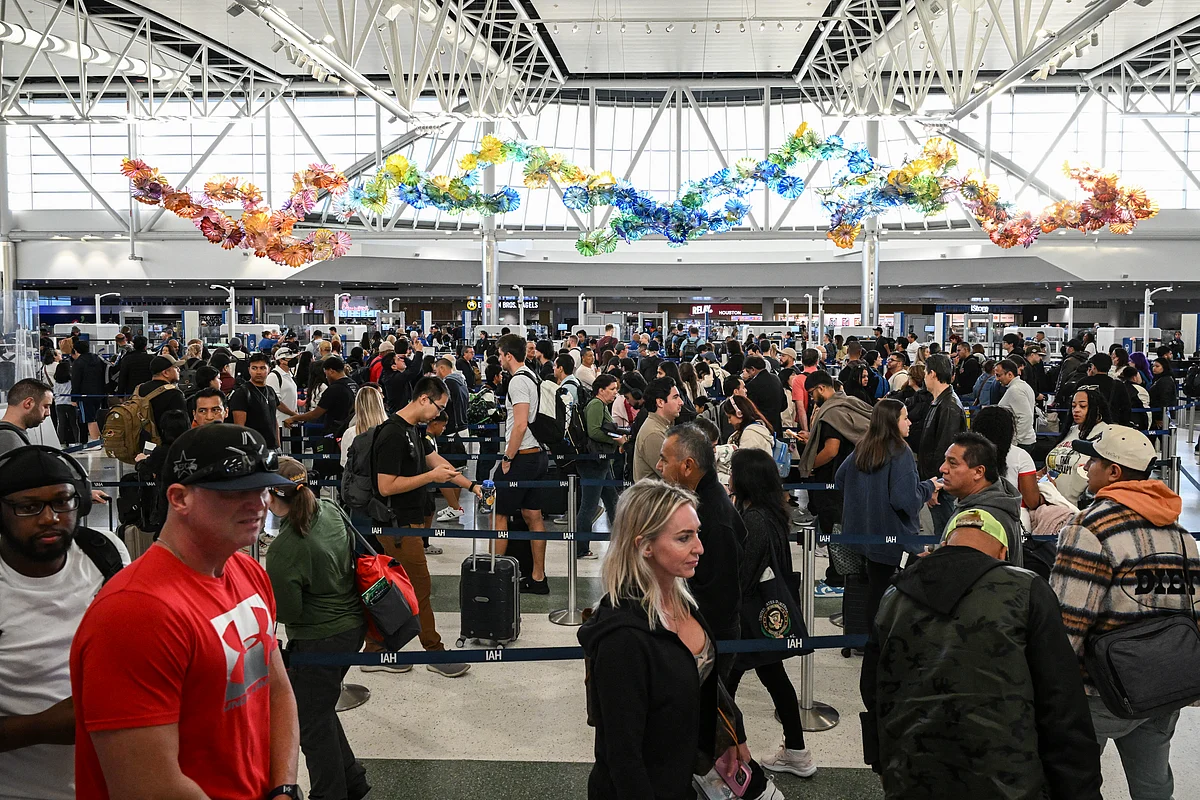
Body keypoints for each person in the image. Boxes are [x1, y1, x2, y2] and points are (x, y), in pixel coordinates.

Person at [69, 424, 302, 800]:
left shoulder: (249, 572)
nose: (258, 503)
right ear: (179, 498)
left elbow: (276, 690)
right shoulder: (134, 613)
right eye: (235, 492)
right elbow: (149, 787)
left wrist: (284, 788)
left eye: (262, 489)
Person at [861, 507, 1103, 800]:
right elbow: (1061, 702)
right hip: (1008, 782)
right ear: (1002, 553)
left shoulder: (894, 595)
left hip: (911, 775)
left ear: (945, 544)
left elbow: (872, 690)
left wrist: (884, 762)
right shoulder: (1026, 590)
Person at [578, 480, 780, 800]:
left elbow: (704, 679)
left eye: (697, 533)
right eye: (684, 538)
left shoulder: (682, 599)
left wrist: (733, 732)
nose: (699, 547)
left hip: (682, 775)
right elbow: (623, 756)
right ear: (645, 545)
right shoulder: (623, 640)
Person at [1051, 424, 1200, 800]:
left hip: (1099, 691)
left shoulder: (1088, 529)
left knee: (1074, 784)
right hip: (1164, 685)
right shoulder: (1181, 535)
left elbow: (1067, 624)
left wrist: (1048, 691)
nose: (1087, 467)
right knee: (1154, 787)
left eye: (1094, 461)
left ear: (1114, 472)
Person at [0, 447, 130, 800]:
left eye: (62, 502)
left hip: (109, 783)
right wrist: (45, 727)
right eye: (28, 507)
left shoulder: (104, 553)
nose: (50, 518)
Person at [264, 457, 370, 800]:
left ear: (271, 497)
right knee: (319, 709)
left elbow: (289, 612)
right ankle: (352, 780)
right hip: (353, 627)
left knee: (310, 725)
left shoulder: (284, 549)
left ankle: (329, 794)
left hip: (318, 640)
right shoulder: (329, 509)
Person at [366, 376, 478, 675]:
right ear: (424, 399)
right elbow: (386, 486)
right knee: (420, 588)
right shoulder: (392, 434)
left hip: (405, 524)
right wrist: (430, 478)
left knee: (391, 588)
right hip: (397, 525)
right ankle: (434, 652)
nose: (439, 414)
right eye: (439, 407)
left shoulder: (413, 431)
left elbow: (437, 462)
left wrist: (472, 486)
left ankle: (375, 649)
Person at [727, 448, 817, 779]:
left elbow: (745, 575)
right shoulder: (772, 514)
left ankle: (723, 753)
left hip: (748, 618)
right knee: (774, 679)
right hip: (764, 616)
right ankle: (796, 751)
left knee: (723, 686)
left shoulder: (754, 519)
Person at [835, 398, 937, 624]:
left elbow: (841, 478)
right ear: (892, 422)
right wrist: (928, 487)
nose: (910, 422)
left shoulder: (863, 446)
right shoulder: (900, 452)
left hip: (866, 537)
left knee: (875, 591)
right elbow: (905, 500)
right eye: (905, 418)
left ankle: (871, 637)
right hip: (894, 539)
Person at [656, 423, 744, 678]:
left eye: (665, 460)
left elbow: (719, 597)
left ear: (687, 466)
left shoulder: (712, 518)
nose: (659, 466)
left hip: (709, 639)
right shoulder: (699, 504)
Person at [492, 334, 551, 594]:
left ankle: (495, 577)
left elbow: (520, 424)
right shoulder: (533, 376)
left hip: (522, 456)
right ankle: (538, 577)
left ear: (508, 355)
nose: (499, 359)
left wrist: (507, 457)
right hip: (538, 455)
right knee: (533, 515)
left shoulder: (517, 381)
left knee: (499, 514)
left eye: (500, 355)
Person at [797, 370, 872, 535]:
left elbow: (831, 450)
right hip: (853, 474)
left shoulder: (831, 412)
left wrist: (811, 465)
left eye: (811, 393)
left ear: (821, 388)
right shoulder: (849, 402)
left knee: (834, 528)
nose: (812, 398)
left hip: (833, 478)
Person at [938, 432, 1023, 565]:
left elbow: (963, 572)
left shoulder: (978, 519)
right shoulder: (997, 500)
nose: (942, 468)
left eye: (952, 463)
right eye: (945, 460)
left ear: (979, 472)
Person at [576, 374, 625, 559]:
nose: (615, 393)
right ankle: (581, 548)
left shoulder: (601, 405)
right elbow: (594, 431)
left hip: (601, 463)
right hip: (594, 463)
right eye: (612, 389)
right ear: (601, 390)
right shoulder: (596, 405)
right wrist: (616, 440)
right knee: (589, 505)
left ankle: (620, 541)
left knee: (612, 501)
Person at [918, 354, 966, 533]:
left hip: (941, 488)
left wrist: (935, 486)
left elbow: (945, 451)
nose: (924, 378)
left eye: (925, 373)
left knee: (943, 534)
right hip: (936, 483)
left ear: (932, 374)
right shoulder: (940, 402)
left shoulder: (949, 406)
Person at [972, 405, 1041, 515]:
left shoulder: (965, 454)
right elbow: (1032, 502)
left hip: (972, 513)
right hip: (1013, 516)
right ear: (1009, 431)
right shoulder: (1020, 456)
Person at [230, 353, 297, 448]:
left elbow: (274, 419)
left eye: (262, 368)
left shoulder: (270, 391)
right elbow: (239, 427)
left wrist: (278, 445)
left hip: (271, 447)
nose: (258, 372)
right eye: (254, 368)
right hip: (253, 448)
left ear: (269, 369)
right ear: (249, 370)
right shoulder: (242, 393)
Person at [285, 355, 357, 438]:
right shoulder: (354, 385)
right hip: (351, 429)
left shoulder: (334, 389)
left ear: (331, 371)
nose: (326, 377)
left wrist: (293, 418)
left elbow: (315, 414)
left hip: (335, 432)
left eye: (326, 373)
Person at [632, 378, 682, 481]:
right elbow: (674, 476)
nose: (681, 402)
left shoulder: (662, 427)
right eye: (675, 397)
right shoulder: (654, 434)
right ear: (660, 402)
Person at [135, 356, 189, 444]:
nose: (179, 370)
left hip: (140, 442)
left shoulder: (139, 389)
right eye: (175, 367)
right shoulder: (174, 394)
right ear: (165, 373)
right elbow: (182, 426)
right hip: (164, 444)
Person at [70, 340, 109, 446]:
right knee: (98, 416)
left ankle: (95, 442)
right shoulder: (97, 358)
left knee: (89, 418)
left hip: (85, 395)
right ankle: (100, 440)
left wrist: (74, 397)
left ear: (76, 350)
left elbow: (76, 381)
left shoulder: (78, 362)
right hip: (100, 393)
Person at [0, 379, 53, 455]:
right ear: (28, 403)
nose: (48, 413)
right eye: (45, 406)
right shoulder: (8, 439)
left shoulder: (12, 436)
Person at [1078, 353, 1132, 427]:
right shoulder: (1118, 385)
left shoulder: (1083, 383)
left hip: (1088, 423)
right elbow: (1126, 408)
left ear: (1094, 367)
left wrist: (1088, 378)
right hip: (1111, 424)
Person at [996, 358, 1037, 451]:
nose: (997, 379)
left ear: (1010, 374)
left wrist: (1015, 442)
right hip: (1024, 441)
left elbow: (1026, 417)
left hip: (1021, 443)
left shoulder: (1015, 390)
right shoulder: (1022, 386)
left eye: (999, 375)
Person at [742, 356, 784, 433]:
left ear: (753, 369)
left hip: (761, 428)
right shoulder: (776, 379)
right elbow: (784, 405)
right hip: (777, 425)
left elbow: (750, 410)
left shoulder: (752, 385)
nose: (748, 374)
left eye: (748, 371)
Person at [266, 350, 300, 432]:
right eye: (290, 358)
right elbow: (276, 402)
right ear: (281, 360)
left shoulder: (289, 375)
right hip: (281, 423)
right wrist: (294, 414)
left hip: (291, 421)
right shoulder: (274, 376)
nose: (294, 360)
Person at [1148, 357, 1176, 430]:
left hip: (1161, 416)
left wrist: (1160, 417)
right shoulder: (1159, 379)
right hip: (1157, 413)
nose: (1154, 368)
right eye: (1153, 366)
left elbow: (1164, 399)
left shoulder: (1165, 381)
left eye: (1157, 366)